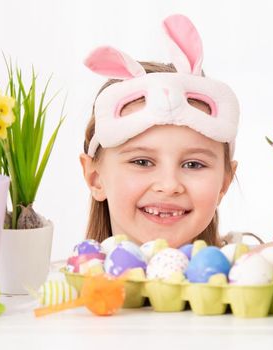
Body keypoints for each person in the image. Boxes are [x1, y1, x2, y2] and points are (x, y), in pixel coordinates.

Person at [79, 14, 240, 248]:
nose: (169, 185)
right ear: (95, 178)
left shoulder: (255, 277)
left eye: (193, 164)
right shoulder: (61, 282)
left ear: (224, 182)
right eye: (142, 162)